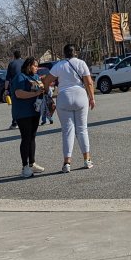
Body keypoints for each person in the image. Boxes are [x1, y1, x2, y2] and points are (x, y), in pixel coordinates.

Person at [43, 44, 95, 172]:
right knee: (82, 129)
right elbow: (88, 82)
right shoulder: (81, 63)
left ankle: (67, 163)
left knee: (67, 131)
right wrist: (92, 97)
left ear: (64, 53)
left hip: (64, 97)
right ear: (75, 52)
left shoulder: (59, 65)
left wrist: (46, 92)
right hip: (80, 96)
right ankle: (87, 160)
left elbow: (47, 80)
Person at [10, 57, 46, 178]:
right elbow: (18, 93)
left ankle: (32, 163)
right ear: (29, 65)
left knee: (32, 137)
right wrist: (35, 93)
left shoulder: (35, 77)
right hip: (22, 113)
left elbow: (41, 89)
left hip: (34, 111)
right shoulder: (20, 77)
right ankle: (24, 166)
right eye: (35, 66)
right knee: (25, 138)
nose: (37, 68)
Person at [4, 49, 24, 129]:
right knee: (25, 103)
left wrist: (6, 90)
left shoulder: (11, 64)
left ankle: (15, 123)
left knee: (15, 105)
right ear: (21, 55)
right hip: (25, 85)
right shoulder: (24, 62)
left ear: (14, 56)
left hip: (15, 86)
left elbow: (7, 79)